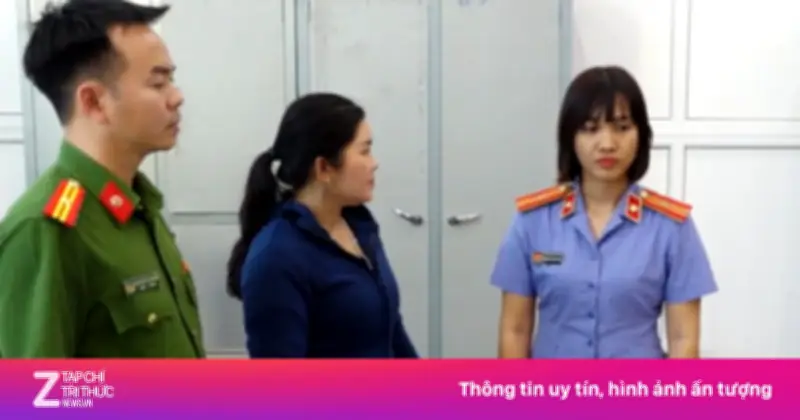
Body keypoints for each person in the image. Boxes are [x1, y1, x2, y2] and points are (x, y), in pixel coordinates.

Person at [0, 0, 204, 358]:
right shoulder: (46, 230)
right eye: (158, 83)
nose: (177, 97)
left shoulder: (141, 209)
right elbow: (39, 388)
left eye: (171, 80)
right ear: (94, 101)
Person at [491, 66, 718, 359]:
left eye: (622, 127)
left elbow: (683, 338)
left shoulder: (672, 227)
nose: (608, 144)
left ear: (641, 135)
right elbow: (515, 330)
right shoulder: (532, 221)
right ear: (570, 137)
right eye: (590, 128)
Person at [226, 92, 418, 358]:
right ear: (324, 168)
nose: (374, 163)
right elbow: (280, 378)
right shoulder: (276, 257)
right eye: (364, 151)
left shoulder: (360, 226)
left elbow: (392, 331)